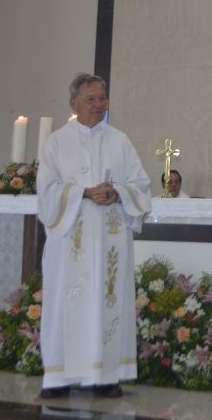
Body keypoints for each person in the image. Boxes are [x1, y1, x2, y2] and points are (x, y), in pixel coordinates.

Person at [36, 74, 151, 399]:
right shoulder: (56, 143)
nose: (99, 105)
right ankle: (58, 377)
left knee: (107, 303)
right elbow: (45, 192)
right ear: (74, 103)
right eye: (91, 99)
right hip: (70, 243)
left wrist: (117, 193)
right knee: (65, 304)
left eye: (103, 98)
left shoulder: (120, 140)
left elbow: (141, 185)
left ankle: (107, 376)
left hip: (109, 245)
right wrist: (84, 193)